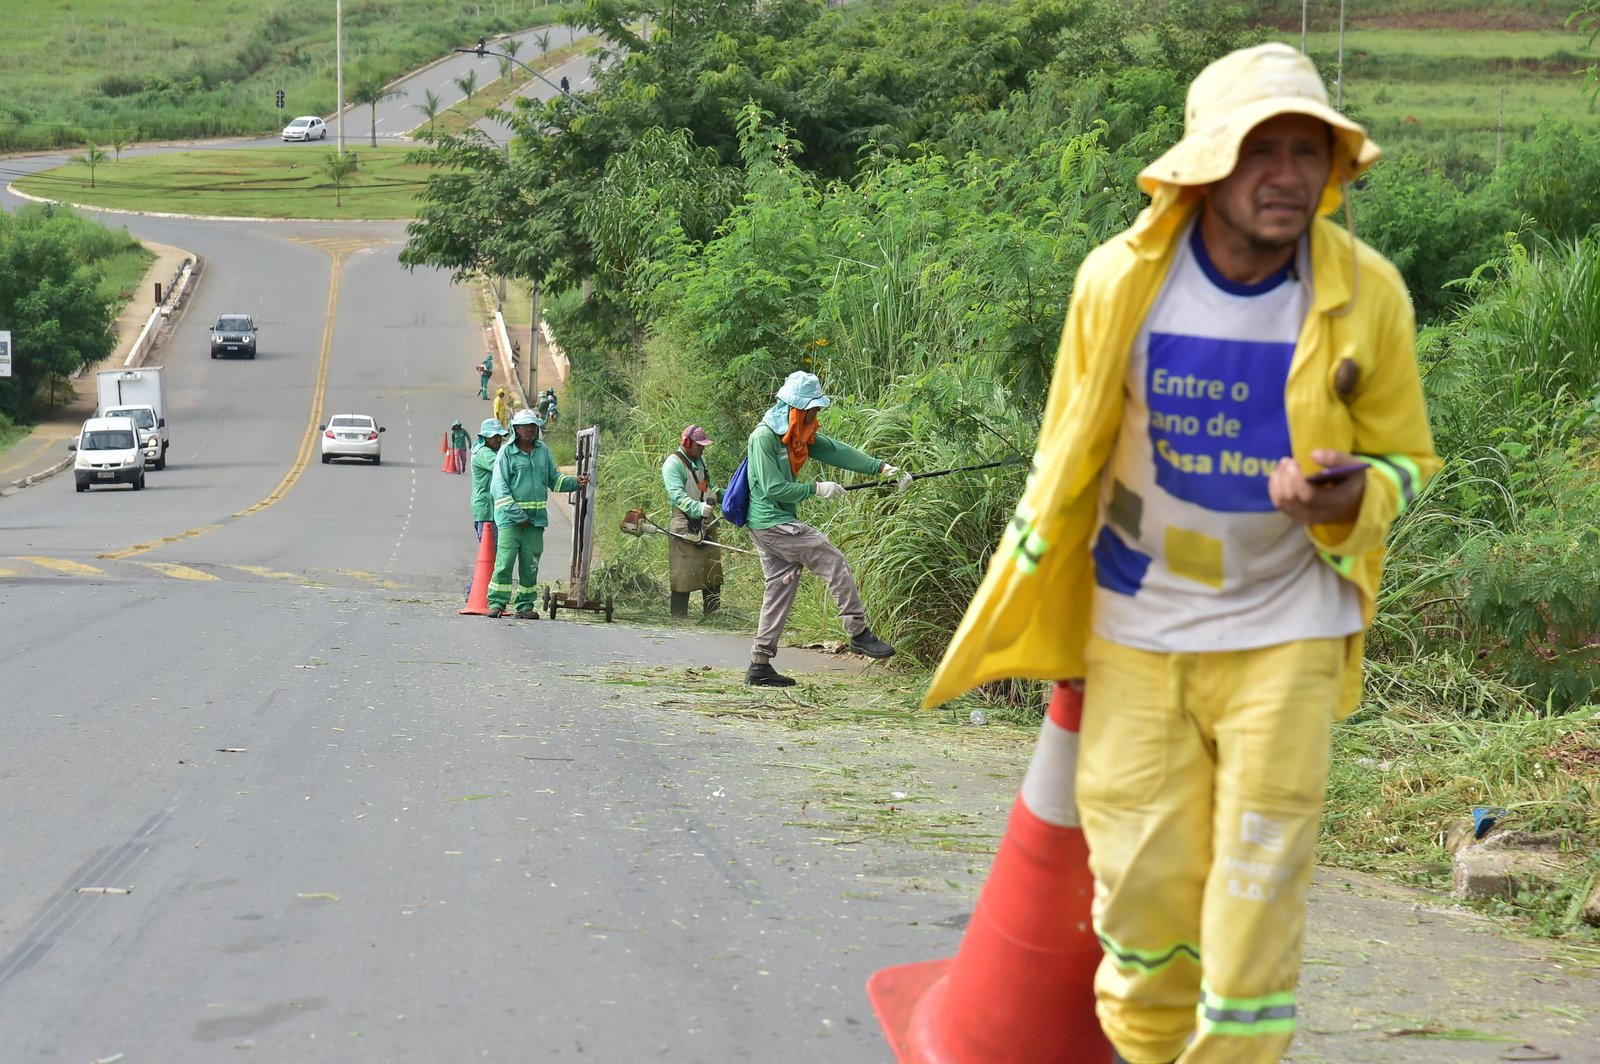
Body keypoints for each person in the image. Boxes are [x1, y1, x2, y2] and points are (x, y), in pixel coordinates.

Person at [922, 43, 1439, 1064]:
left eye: (1308, 151)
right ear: (1206, 164)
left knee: (1256, 893)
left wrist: (1348, 496)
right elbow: (1065, 447)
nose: (1289, 174)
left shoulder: (1364, 291)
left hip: (1285, 627)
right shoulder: (1119, 281)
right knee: (1143, 889)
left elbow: (1407, 455)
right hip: (1137, 620)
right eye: (1262, 150)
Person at [743, 370, 898, 687]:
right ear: (794, 408)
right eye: (812, 410)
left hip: (773, 523)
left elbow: (838, 451)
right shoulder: (763, 438)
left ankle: (759, 665)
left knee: (778, 589)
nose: (816, 415)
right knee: (832, 559)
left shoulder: (798, 434)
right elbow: (773, 488)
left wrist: (883, 468)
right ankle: (857, 631)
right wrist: (816, 489)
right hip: (772, 523)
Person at [487, 409, 586, 619]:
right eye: (524, 426)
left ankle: (525, 606)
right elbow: (499, 489)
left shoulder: (543, 451)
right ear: (516, 429)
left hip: (535, 522)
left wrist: (575, 482)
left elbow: (554, 479)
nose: (529, 430)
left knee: (530, 566)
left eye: (533, 426)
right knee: (504, 562)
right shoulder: (506, 453)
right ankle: (497, 602)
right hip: (511, 522)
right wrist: (518, 516)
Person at [661, 424, 723, 619]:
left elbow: (706, 486)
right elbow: (677, 495)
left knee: (712, 570)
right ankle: (678, 617)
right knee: (682, 573)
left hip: (706, 521)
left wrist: (724, 495)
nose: (702, 449)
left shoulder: (700, 461)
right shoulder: (673, 464)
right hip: (683, 523)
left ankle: (713, 616)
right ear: (686, 443)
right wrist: (697, 508)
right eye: (698, 445)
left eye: (703, 446)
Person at [471, 417, 510, 540]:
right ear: (484, 437)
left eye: (499, 436)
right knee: (491, 553)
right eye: (493, 436)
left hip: (493, 509)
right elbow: (503, 467)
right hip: (487, 510)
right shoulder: (484, 453)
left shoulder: (493, 451)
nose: (498, 439)